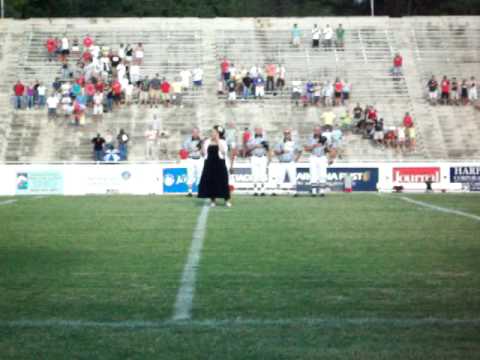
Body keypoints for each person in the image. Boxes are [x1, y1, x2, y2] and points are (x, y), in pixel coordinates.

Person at [198, 126, 231, 207]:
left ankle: (226, 200)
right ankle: (213, 200)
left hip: (220, 163)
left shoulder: (223, 141)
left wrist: (218, 141)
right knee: (211, 182)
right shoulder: (207, 142)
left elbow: (223, 152)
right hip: (209, 164)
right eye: (212, 132)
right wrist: (202, 145)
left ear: (218, 134)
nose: (212, 134)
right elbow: (203, 154)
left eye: (214, 132)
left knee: (223, 181)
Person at [273, 129, 302, 196]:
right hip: (282, 162)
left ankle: (295, 192)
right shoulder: (280, 142)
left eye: (288, 133)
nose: (287, 135)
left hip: (291, 162)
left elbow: (300, 150)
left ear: (290, 134)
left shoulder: (294, 142)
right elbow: (275, 152)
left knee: (293, 177)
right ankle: (277, 191)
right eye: (285, 133)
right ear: (284, 134)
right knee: (280, 177)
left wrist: (296, 159)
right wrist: (282, 152)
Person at [306, 126, 330, 196]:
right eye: (316, 130)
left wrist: (326, 147)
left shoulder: (324, 138)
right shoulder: (311, 138)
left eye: (319, 130)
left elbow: (328, 149)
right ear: (314, 131)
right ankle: (313, 191)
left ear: (321, 131)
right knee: (313, 174)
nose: (317, 132)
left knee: (322, 174)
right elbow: (307, 149)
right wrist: (314, 145)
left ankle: (322, 191)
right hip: (314, 157)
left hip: (322, 157)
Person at [248, 127, 270, 196]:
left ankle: (263, 190)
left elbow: (267, 147)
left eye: (260, 130)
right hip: (254, 157)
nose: (259, 131)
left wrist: (263, 145)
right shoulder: (251, 138)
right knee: (255, 174)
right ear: (255, 131)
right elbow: (249, 147)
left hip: (263, 157)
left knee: (263, 174)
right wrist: (256, 146)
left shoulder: (265, 138)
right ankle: (255, 190)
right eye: (257, 130)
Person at [183, 128, 204, 197]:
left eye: (197, 132)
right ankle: (189, 192)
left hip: (199, 159)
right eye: (194, 132)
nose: (195, 133)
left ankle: (199, 192)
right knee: (190, 175)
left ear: (198, 133)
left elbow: (203, 151)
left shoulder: (201, 141)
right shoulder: (187, 141)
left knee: (199, 175)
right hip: (190, 159)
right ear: (192, 133)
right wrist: (195, 149)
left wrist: (201, 148)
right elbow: (185, 150)